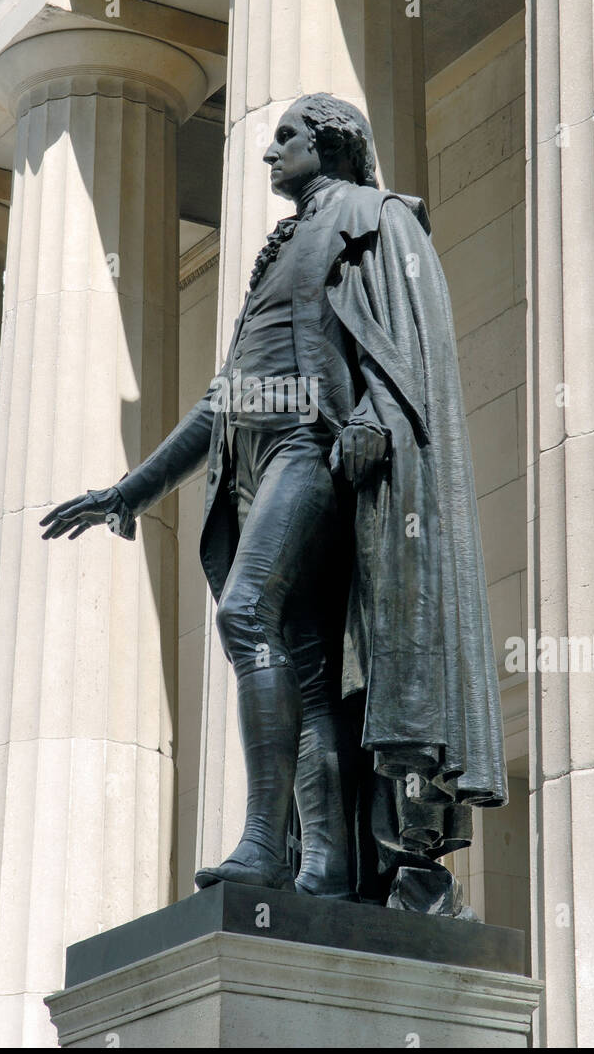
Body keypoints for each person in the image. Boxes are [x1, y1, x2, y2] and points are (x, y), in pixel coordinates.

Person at [41, 94, 506, 915]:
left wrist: (378, 413)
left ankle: (262, 838)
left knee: (245, 611)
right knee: (312, 676)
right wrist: (130, 490)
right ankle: (321, 863)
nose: (270, 152)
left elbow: (414, 345)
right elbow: (222, 400)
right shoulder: (279, 252)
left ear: (330, 142)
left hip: (311, 447)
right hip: (255, 458)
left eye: (286, 136)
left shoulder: (373, 214)